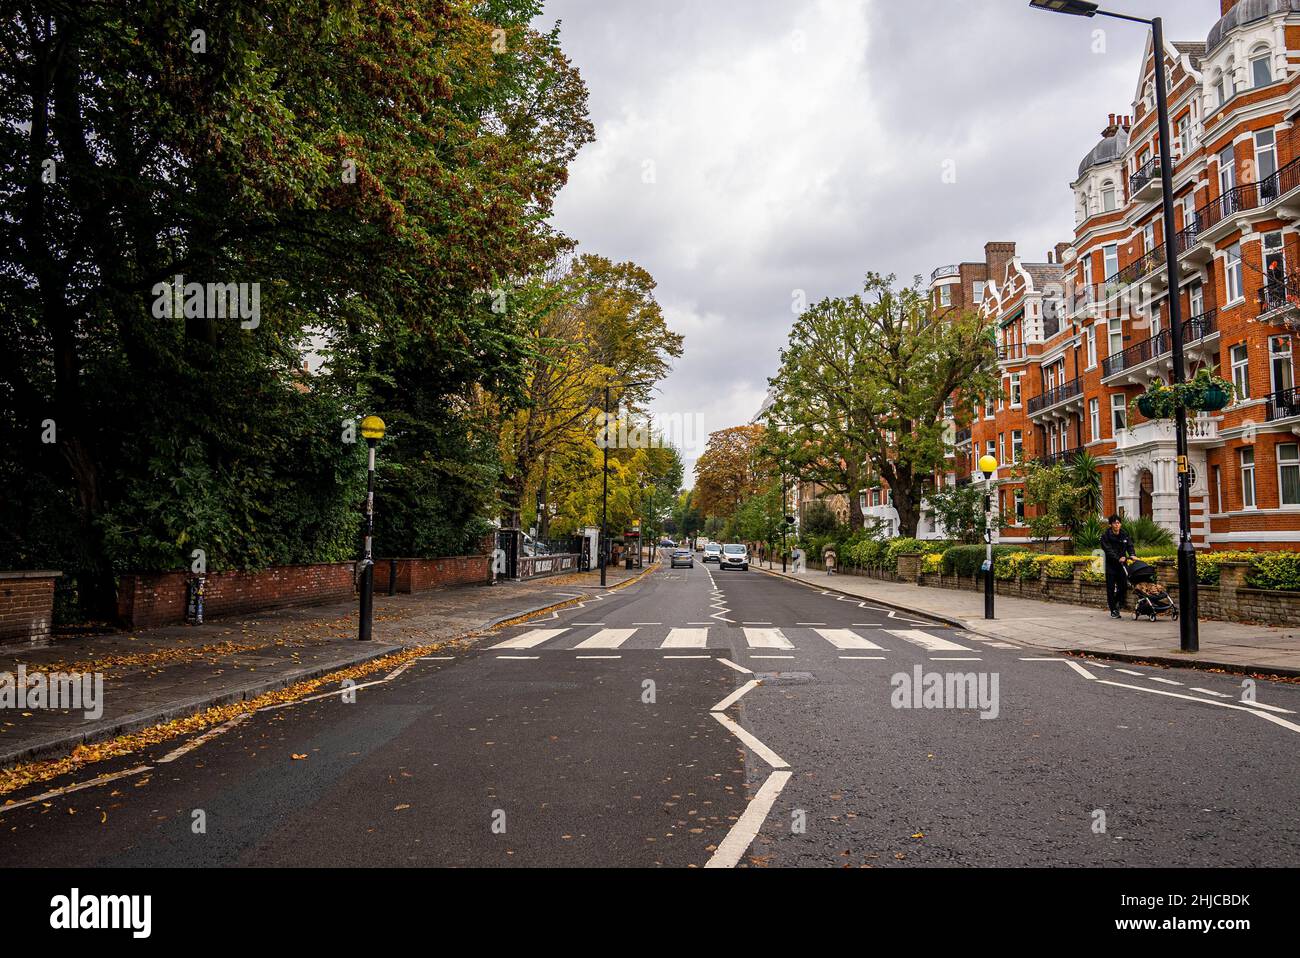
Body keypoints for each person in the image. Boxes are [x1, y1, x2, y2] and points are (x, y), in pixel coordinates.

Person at [1100, 514, 1137, 619]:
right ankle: (1113, 610)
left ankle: (1116, 603)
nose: (1117, 525)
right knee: (1111, 588)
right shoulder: (1105, 536)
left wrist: (1132, 554)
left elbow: (1130, 545)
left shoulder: (1124, 534)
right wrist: (1117, 558)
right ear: (1110, 525)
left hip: (1122, 565)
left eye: (1118, 523)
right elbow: (1108, 550)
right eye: (1114, 523)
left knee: (1123, 586)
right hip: (1111, 565)